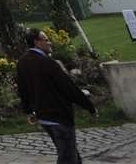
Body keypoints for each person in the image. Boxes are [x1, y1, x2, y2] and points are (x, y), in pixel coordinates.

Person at [16, 27, 97, 164]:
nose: (50, 43)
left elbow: (23, 89)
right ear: (37, 42)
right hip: (58, 115)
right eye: (46, 40)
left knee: (71, 155)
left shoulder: (23, 62)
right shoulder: (47, 62)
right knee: (67, 157)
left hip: (44, 116)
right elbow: (68, 87)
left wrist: (28, 110)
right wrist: (89, 107)